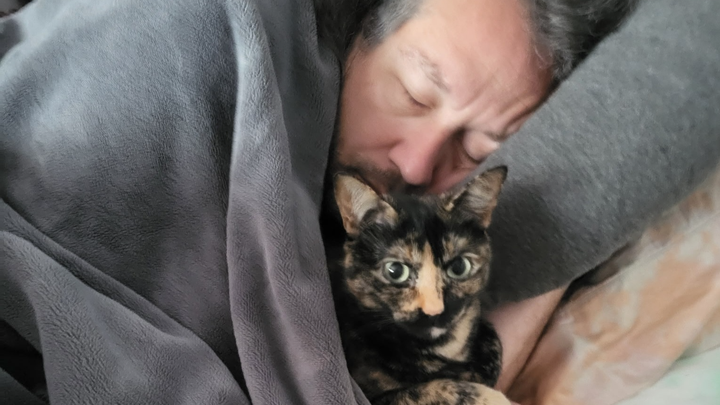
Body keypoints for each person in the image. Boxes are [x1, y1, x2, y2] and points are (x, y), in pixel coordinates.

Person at [1, 1, 718, 405]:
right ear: (363, 33)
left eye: (475, 147)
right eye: (414, 94)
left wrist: (551, 262)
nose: (418, 164)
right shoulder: (223, 33)